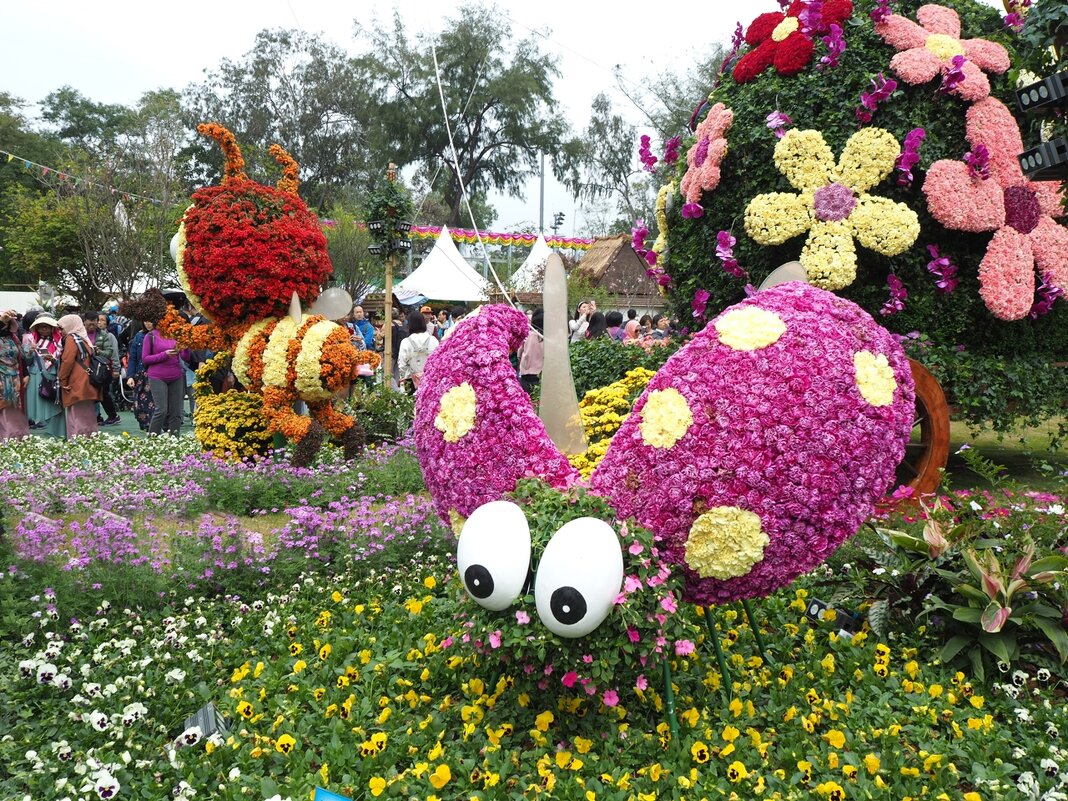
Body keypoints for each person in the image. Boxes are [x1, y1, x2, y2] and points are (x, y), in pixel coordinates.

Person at [57, 313, 102, 439]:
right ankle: (89, 439)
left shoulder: (72, 339)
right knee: (87, 415)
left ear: (69, 326)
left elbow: (67, 361)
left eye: (62, 328)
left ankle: (77, 440)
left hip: (76, 382)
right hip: (86, 382)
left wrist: (63, 380)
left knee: (76, 415)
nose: (60, 331)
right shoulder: (83, 338)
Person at [142, 321, 190, 436]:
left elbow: (186, 357)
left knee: (176, 412)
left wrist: (185, 348)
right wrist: (164, 354)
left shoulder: (176, 335)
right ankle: (153, 439)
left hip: (176, 375)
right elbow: (145, 359)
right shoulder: (150, 336)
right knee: (161, 409)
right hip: (157, 376)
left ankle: (174, 439)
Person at [23, 314, 65, 437]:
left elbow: (63, 361)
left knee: (52, 402)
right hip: (35, 375)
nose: (44, 330)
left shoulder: (60, 342)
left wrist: (53, 360)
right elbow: (27, 361)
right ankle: (35, 423)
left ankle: (53, 428)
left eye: (47, 327)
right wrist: (30, 352)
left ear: (52, 328)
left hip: (52, 374)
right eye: (41, 327)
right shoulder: (32, 341)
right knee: (34, 401)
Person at [0, 309, 30, 440]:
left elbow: (22, 357)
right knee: (3, 407)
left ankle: (16, 437)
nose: (7, 326)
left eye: (10, 323)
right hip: (1, 378)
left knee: (15, 408)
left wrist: (26, 374)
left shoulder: (14, 338)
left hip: (15, 378)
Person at [124, 320, 157, 431]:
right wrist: (130, 376)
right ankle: (147, 426)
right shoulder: (139, 336)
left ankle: (155, 428)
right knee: (140, 405)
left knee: (156, 404)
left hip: (156, 374)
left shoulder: (161, 335)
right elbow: (133, 358)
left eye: (150, 321)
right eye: (146, 321)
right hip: (141, 375)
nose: (148, 323)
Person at [91, 312, 122, 425]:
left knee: (104, 392)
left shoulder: (109, 336)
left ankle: (112, 415)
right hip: (94, 368)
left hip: (106, 369)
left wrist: (116, 369)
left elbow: (114, 354)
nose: (99, 322)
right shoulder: (92, 335)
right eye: (97, 320)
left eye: (103, 320)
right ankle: (97, 415)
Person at [397, 309, 438, 393]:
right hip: (431, 379)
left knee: (413, 404)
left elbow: (402, 364)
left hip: (411, 381)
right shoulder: (433, 340)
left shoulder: (406, 342)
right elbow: (439, 360)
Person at [517, 308, 544, 394]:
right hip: (541, 373)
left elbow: (519, 353)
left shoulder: (527, 335)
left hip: (525, 373)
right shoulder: (548, 339)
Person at [390, 308, 408, 390]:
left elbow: (380, 336)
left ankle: (395, 392)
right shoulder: (403, 325)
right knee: (397, 373)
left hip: (390, 352)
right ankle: (397, 392)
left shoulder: (389, 324)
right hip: (399, 352)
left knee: (388, 374)